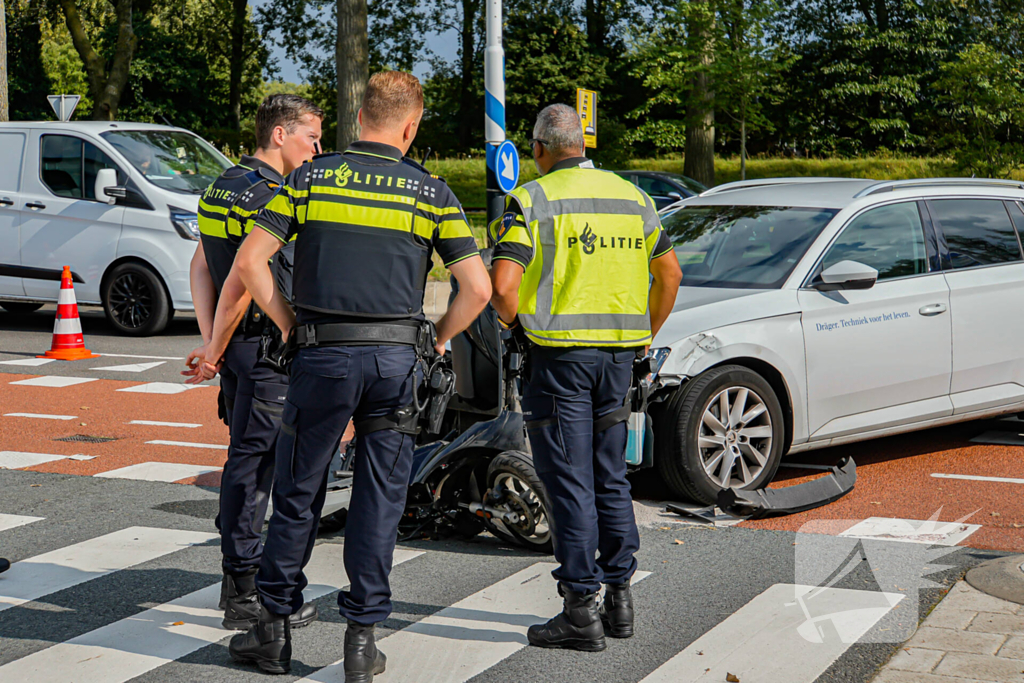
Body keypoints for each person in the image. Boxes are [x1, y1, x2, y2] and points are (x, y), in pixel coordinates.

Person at [227, 71, 492, 677]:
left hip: (321, 357)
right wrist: (438, 341)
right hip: (396, 365)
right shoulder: (432, 193)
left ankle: (272, 632)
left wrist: (290, 323)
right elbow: (476, 287)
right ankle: (362, 643)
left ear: (360, 116)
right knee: (380, 499)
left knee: (298, 492)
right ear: (410, 124)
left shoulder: (310, 178)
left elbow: (249, 260)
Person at [489, 104, 682, 652]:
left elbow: (504, 289)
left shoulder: (531, 200)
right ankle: (620, 599)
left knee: (569, 481)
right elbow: (670, 273)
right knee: (610, 476)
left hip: (558, 363)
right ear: (583, 142)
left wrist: (514, 325)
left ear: (540, 149)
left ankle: (580, 610)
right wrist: (644, 331)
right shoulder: (634, 198)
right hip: (618, 359)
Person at [183, 94, 324, 632]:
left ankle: (235, 580)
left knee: (244, 459)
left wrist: (212, 339)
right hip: (267, 349)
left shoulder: (221, 184)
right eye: (311, 136)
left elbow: (201, 266)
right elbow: (243, 280)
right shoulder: (270, 194)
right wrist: (214, 347)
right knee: (257, 465)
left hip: (240, 349)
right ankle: (244, 588)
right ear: (281, 135)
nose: (317, 149)